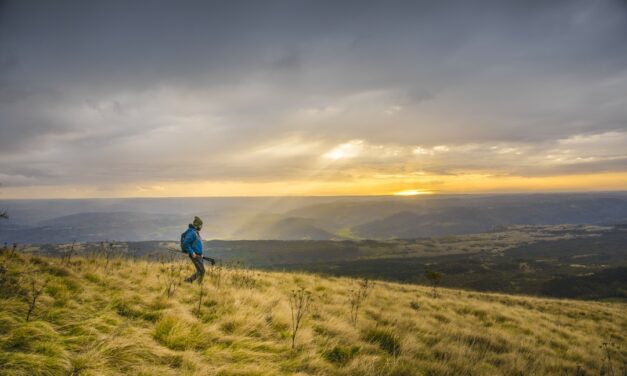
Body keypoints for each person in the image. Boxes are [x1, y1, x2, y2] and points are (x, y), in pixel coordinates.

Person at [181, 216, 205, 283]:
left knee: (201, 271)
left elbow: (196, 244)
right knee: (201, 271)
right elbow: (185, 243)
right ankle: (188, 281)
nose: (201, 227)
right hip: (195, 255)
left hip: (198, 255)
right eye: (201, 225)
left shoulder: (195, 232)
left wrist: (201, 253)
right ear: (197, 225)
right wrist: (192, 252)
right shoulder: (192, 233)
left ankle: (198, 284)